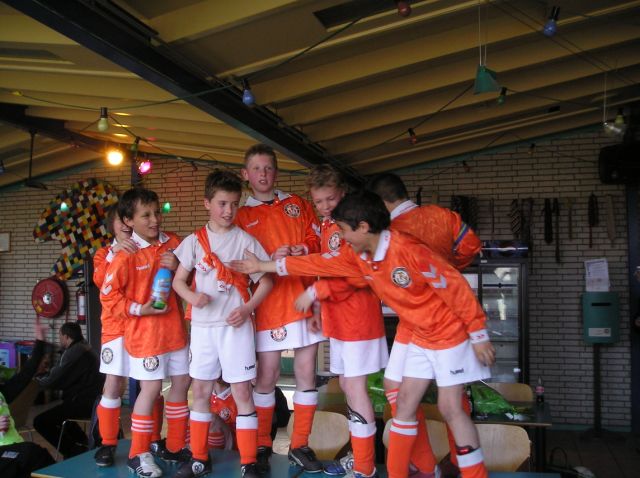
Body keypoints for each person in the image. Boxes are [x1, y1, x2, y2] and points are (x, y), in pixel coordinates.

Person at [231, 191, 496, 478]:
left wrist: (478, 333)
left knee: (450, 407)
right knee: (403, 404)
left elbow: (455, 286)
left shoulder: (409, 250)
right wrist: (263, 266)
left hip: (449, 332)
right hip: (419, 333)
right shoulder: (361, 257)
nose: (342, 238)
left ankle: (474, 475)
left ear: (363, 227)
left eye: (344, 230)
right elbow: (318, 263)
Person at [369, 172, 482, 476]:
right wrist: (451, 268)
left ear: (381, 202)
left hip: (416, 319)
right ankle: (456, 462)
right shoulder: (442, 215)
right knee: (452, 395)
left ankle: (424, 464)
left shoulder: (390, 232)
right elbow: (472, 245)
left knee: (398, 391)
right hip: (452, 314)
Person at [172, 170, 273, 478]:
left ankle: (249, 461)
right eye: (222, 203)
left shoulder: (245, 241)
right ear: (207, 203)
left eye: (234, 204)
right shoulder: (193, 241)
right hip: (203, 329)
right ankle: (199, 458)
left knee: (242, 392)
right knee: (201, 391)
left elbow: (266, 281)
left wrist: (247, 308)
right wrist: (193, 296)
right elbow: (177, 282)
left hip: (236, 329)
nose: (228, 211)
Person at [234, 144, 324, 473]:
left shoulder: (298, 204)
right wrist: (271, 257)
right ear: (246, 174)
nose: (263, 174)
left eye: (269, 167)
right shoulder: (241, 216)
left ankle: (300, 444)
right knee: (267, 376)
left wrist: (302, 249)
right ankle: (261, 442)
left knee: (306, 373)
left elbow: (318, 243)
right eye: (257, 168)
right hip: (267, 304)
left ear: (276, 171)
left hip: (303, 298)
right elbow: (239, 264)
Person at [293, 165, 387, 478]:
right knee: (348, 385)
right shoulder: (327, 225)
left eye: (330, 199)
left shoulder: (351, 225)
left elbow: (355, 274)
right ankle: (360, 457)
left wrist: (315, 292)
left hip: (358, 319)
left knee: (355, 388)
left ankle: (364, 466)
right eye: (318, 201)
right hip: (339, 320)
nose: (324, 206)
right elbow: (328, 269)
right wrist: (319, 308)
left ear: (343, 193)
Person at [100, 187, 190, 478]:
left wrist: (181, 266)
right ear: (128, 221)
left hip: (175, 332)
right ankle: (137, 454)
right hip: (145, 336)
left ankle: (175, 446)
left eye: (157, 213)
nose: (155, 220)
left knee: (182, 383)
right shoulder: (125, 253)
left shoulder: (175, 244)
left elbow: (196, 278)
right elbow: (108, 296)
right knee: (150, 389)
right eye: (146, 215)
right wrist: (141, 309)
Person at [92, 206, 140, 467]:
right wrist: (115, 253)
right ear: (112, 225)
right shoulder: (103, 253)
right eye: (121, 221)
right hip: (115, 327)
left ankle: (152, 440)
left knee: (150, 384)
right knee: (113, 383)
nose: (126, 225)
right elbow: (100, 281)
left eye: (128, 220)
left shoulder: (145, 247)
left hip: (145, 325)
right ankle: (107, 443)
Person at [33, 322, 104, 459]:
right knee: (62, 417)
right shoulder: (85, 347)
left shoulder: (74, 352)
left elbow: (53, 379)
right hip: (94, 401)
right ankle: (82, 445)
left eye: (60, 336)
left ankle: (73, 451)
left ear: (66, 336)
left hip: (85, 403)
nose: (59, 339)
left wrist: (37, 379)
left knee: (40, 421)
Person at [0, 318, 55, 478]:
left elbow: (27, 372)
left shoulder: (3, 393)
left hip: (13, 446)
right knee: (31, 454)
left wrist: (40, 340)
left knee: (34, 457)